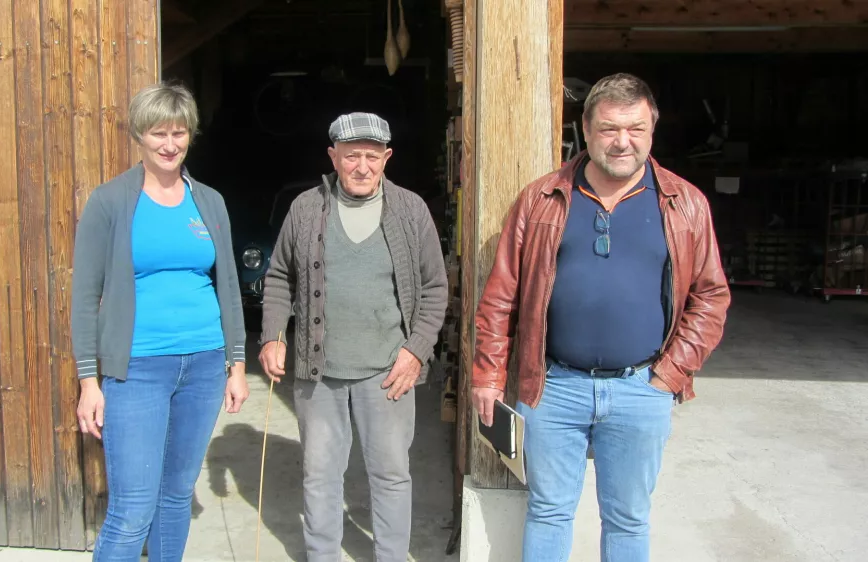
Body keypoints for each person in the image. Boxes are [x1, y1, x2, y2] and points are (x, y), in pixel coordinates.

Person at [471, 73, 731, 562]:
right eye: (609, 129)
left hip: (641, 388)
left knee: (628, 519)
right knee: (548, 511)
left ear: (652, 131)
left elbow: (711, 296)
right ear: (585, 131)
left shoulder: (684, 204)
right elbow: (501, 294)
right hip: (553, 388)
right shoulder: (541, 199)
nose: (622, 141)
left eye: (635, 129)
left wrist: (670, 373)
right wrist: (488, 374)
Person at [70, 82, 250, 562]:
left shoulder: (208, 201)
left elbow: (228, 286)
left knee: (176, 497)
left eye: (179, 133)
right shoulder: (109, 202)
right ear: (139, 137)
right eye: (158, 134)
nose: (170, 144)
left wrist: (236, 365)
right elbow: (85, 296)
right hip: (138, 369)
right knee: (131, 508)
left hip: (205, 365)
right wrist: (89, 381)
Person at [258, 112, 448, 562]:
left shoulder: (410, 210)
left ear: (387, 158)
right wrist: (272, 335)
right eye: (351, 157)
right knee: (321, 474)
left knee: (390, 474)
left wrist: (416, 351)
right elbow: (279, 276)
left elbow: (435, 288)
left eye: (371, 156)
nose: (361, 167)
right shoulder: (306, 208)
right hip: (317, 371)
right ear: (333, 157)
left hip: (388, 370)